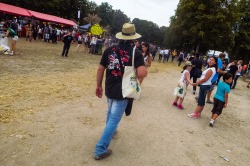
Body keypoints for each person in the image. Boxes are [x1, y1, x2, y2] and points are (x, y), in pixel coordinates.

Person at [94, 23, 147, 160]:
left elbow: (101, 69)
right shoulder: (136, 52)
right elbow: (142, 73)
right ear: (133, 37)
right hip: (124, 90)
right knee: (114, 119)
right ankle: (100, 149)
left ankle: (111, 132)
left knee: (110, 112)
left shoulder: (109, 49)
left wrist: (98, 85)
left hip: (109, 87)